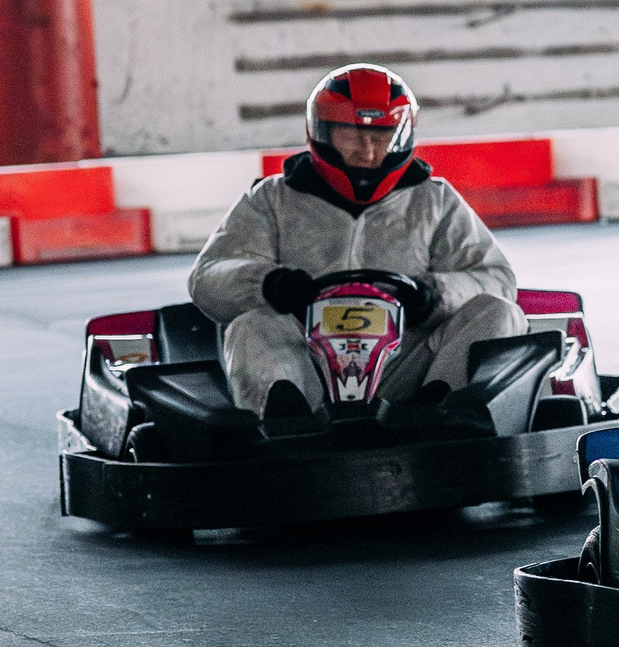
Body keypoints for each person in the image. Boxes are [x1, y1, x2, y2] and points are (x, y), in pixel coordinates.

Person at [191, 64, 527, 419]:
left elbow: (497, 279)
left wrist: (434, 295)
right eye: (353, 136)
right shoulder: (272, 199)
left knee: (500, 312)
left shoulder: (435, 200)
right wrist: (269, 284)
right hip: (306, 365)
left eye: (382, 137)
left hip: (406, 374)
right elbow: (208, 277)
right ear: (321, 133)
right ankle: (287, 425)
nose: (368, 152)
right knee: (251, 325)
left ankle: (438, 416)